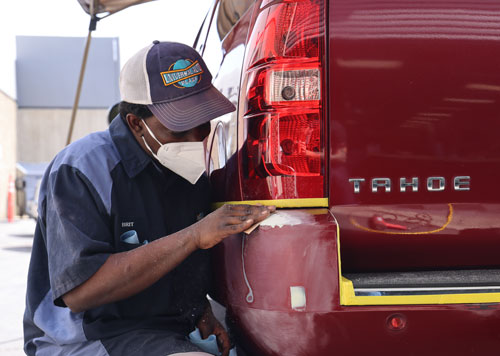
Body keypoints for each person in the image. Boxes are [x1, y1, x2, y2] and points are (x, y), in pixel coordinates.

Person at [23, 41, 274, 356]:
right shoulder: (81, 169)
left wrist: (199, 310)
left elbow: (181, 266)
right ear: (136, 123)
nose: (197, 137)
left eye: (203, 121)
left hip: (165, 332)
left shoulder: (188, 172)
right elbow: (80, 291)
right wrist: (195, 236)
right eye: (179, 126)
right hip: (86, 338)